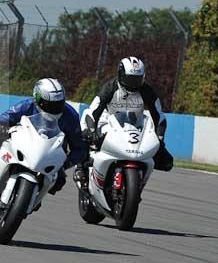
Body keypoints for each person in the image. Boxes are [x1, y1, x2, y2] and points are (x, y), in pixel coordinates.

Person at [0, 78, 87, 197]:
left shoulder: (71, 115)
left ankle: (33, 199)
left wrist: (65, 164)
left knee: (59, 181)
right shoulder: (27, 105)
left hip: (50, 153)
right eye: (49, 104)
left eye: (59, 104)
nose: (55, 108)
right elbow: (0, 119)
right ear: (38, 99)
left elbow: (79, 148)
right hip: (25, 143)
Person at [74, 56, 173, 186]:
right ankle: (81, 167)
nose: (133, 84)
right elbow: (93, 111)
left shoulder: (146, 91)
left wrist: (159, 139)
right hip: (107, 121)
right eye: (130, 79)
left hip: (134, 125)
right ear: (121, 75)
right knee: (86, 133)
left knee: (167, 162)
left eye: (137, 79)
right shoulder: (110, 87)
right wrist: (91, 132)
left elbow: (159, 117)